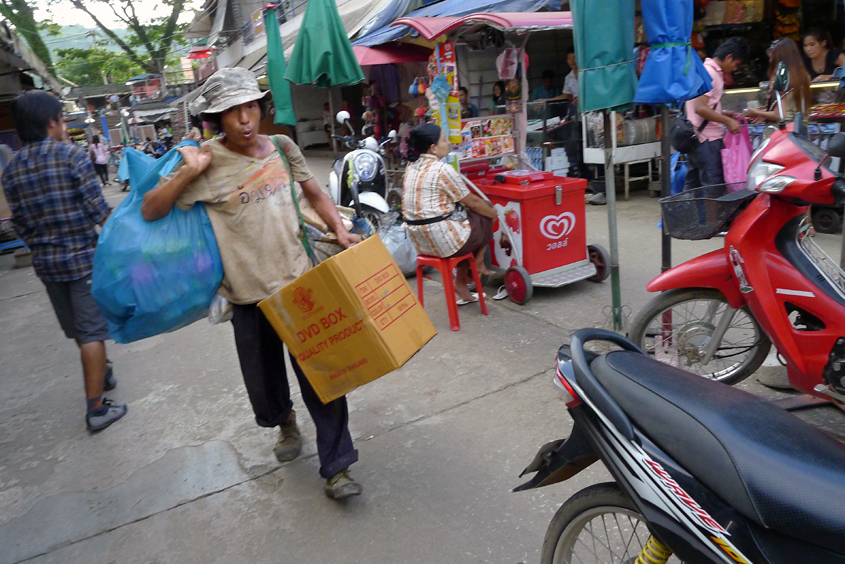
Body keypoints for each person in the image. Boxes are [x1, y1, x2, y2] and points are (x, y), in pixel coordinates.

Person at [140, 67, 363, 500]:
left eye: (250, 107)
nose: (244, 119)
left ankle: (337, 467)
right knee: (265, 386)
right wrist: (189, 173)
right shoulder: (203, 161)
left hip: (301, 284)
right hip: (247, 296)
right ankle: (284, 422)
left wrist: (337, 227)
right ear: (216, 119)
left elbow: (314, 192)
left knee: (325, 377)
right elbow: (151, 210)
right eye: (231, 111)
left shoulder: (282, 146)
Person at [2, 91, 126, 432]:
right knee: (91, 333)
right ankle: (97, 410)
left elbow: (20, 224)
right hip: (83, 261)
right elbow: (99, 212)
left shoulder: (11, 171)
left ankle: (103, 370)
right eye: (60, 119)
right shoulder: (71, 156)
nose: (62, 126)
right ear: (51, 123)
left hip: (47, 265)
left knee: (76, 328)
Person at [402, 124, 497, 304]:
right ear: (433, 148)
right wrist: (493, 213)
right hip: (442, 242)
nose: (448, 143)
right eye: (444, 139)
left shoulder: (410, 166)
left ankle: (463, 279)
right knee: (484, 212)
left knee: (466, 227)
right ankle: (476, 264)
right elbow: (472, 202)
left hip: (419, 242)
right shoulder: (442, 169)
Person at [683, 37, 748, 193]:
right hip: (707, 142)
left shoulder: (705, 70)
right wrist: (727, 121)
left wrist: (723, 113)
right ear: (729, 57)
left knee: (693, 190)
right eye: (736, 64)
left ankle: (692, 218)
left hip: (697, 139)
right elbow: (700, 108)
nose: (735, 69)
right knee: (712, 191)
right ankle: (711, 218)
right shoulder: (711, 73)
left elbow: (700, 105)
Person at [746, 39, 811, 125]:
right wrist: (765, 114)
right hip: (800, 126)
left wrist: (757, 113)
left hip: (783, 128)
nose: (770, 59)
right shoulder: (804, 75)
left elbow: (779, 114)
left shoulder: (781, 77)